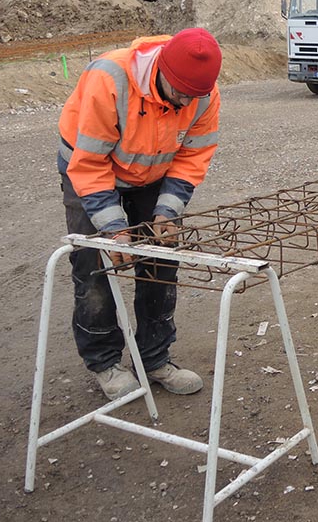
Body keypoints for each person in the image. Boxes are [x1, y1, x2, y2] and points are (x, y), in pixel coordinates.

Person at [57, 27, 222, 401]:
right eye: (179, 92)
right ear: (161, 70)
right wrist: (114, 229)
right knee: (97, 266)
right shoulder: (109, 79)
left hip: (151, 175)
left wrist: (167, 211)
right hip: (90, 170)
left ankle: (155, 359)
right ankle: (104, 363)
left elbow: (193, 156)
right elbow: (90, 165)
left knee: (161, 262)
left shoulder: (202, 94)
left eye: (192, 96)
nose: (184, 103)